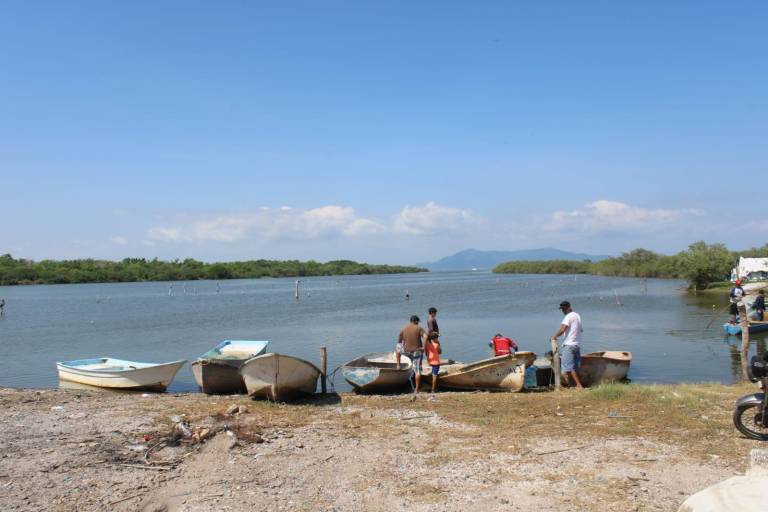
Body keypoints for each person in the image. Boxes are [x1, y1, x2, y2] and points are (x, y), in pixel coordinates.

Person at [550, 300, 584, 389]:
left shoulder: (568, 317)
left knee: (568, 368)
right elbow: (581, 330)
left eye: (564, 309)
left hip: (569, 345)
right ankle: (573, 385)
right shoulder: (577, 315)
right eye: (562, 309)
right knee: (575, 368)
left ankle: (578, 385)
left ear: (568, 308)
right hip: (577, 345)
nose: (563, 311)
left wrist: (554, 337)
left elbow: (562, 329)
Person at [396, 315, 427, 394]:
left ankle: (399, 366)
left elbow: (398, 345)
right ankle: (416, 389)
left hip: (406, 352)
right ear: (416, 321)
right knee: (417, 370)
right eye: (418, 322)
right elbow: (426, 337)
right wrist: (424, 347)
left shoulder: (404, 329)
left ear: (410, 321)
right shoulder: (419, 328)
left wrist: (398, 364)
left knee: (412, 369)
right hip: (417, 351)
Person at [424, 331, 442, 396]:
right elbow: (440, 352)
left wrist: (428, 360)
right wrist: (439, 344)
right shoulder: (436, 345)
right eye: (437, 338)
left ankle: (431, 387)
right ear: (436, 338)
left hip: (430, 361)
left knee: (433, 374)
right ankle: (433, 389)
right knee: (435, 376)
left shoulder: (428, 344)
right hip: (436, 362)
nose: (438, 339)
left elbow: (426, 352)